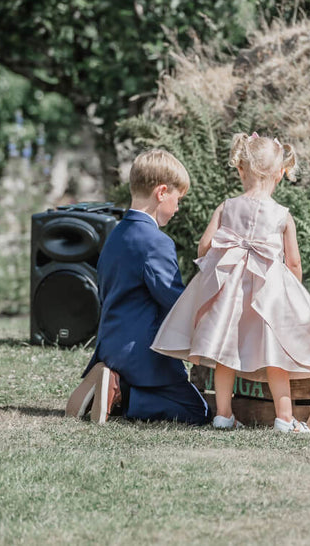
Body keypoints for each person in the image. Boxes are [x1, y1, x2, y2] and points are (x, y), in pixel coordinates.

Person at [150, 132, 310, 433]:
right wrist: (293, 291)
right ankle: (284, 418)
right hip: (269, 293)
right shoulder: (282, 215)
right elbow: (293, 262)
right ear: (281, 173)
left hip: (230, 293)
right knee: (276, 355)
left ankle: (224, 415)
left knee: (225, 351)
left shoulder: (226, 207)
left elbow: (204, 246)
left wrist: (222, 259)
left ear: (241, 169)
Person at [64, 149, 210, 426]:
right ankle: (122, 395)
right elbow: (174, 301)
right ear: (162, 192)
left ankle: (111, 383)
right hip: (143, 355)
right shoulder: (156, 242)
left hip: (111, 347)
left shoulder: (116, 234)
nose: (178, 208)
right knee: (197, 411)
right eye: (178, 199)